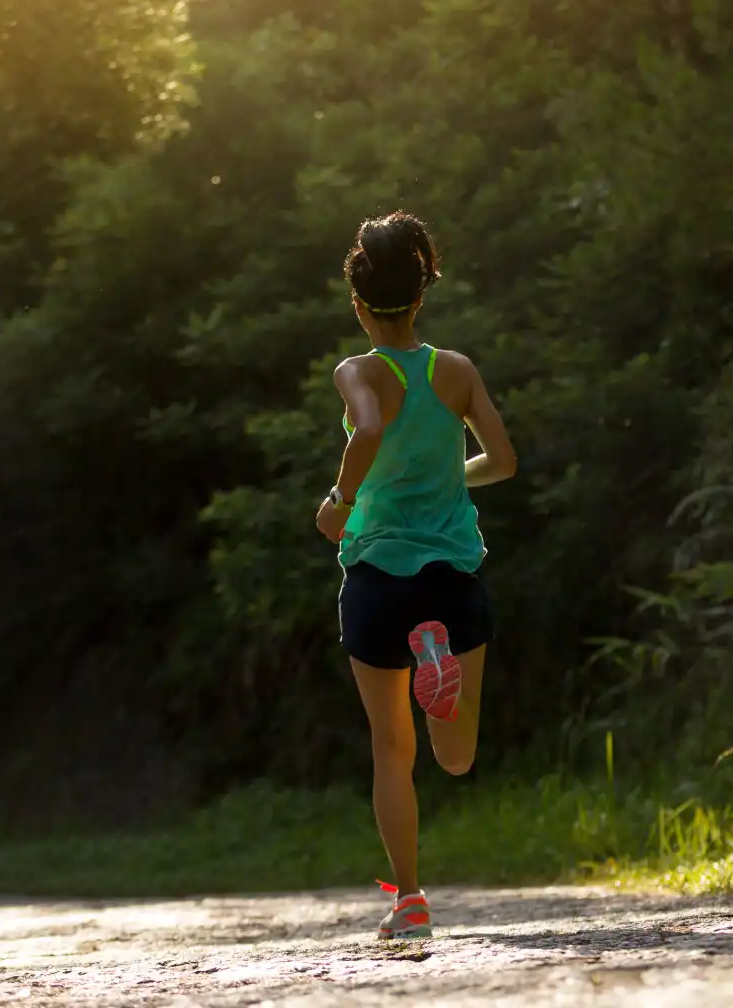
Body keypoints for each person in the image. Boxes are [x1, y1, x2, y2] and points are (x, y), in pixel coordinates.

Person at [315, 212, 517, 942]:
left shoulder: (356, 371)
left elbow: (368, 429)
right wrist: (448, 477)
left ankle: (410, 901)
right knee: (455, 757)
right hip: (454, 578)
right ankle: (437, 655)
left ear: (359, 304)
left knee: (390, 751)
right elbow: (504, 462)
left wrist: (341, 502)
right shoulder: (455, 372)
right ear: (421, 297)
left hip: (376, 578)